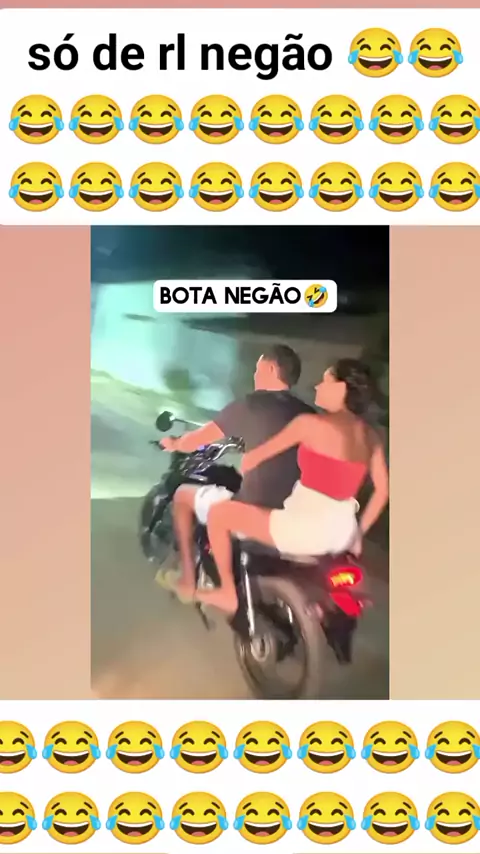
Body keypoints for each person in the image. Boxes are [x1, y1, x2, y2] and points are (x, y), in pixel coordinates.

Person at [195, 358, 389, 615]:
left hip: (305, 528)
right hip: (343, 532)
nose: (317, 386)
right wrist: (358, 534)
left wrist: (249, 469)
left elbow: (253, 459)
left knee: (219, 514)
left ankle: (227, 592)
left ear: (341, 388)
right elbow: (383, 491)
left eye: (325, 381)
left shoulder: (310, 424)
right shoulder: (372, 437)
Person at [160, 344, 315, 601]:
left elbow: (196, 440)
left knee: (183, 496)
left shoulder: (249, 405)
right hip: (298, 511)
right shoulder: (309, 414)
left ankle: (188, 579)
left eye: (258, 368)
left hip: (257, 511)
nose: (254, 375)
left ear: (271, 369)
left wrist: (174, 443)